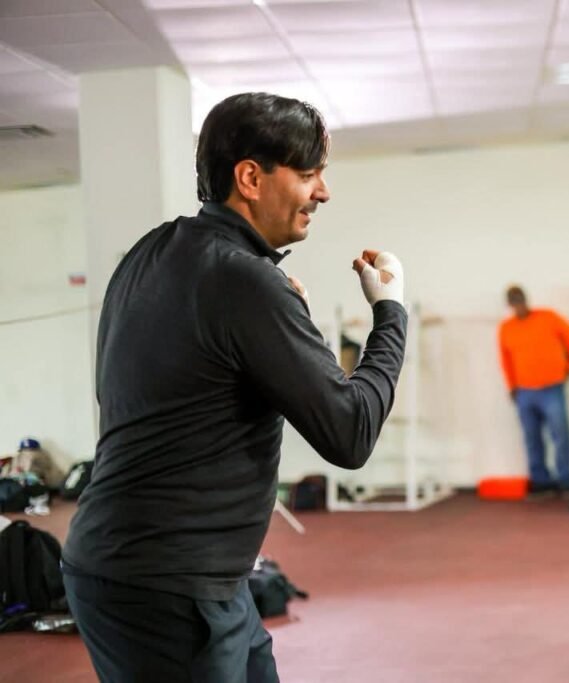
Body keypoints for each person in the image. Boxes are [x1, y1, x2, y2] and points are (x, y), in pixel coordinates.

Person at [61, 92, 407, 682]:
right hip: (166, 584)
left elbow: (177, 378)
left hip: (175, 574)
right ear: (250, 177)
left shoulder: (150, 253)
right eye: (307, 174)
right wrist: (391, 313)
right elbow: (350, 433)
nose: (322, 192)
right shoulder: (242, 280)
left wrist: (271, 321)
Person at [499, 285, 569, 498]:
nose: (518, 304)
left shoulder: (548, 318)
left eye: (520, 299)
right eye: (513, 301)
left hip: (552, 387)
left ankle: (565, 481)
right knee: (531, 438)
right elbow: (505, 360)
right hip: (524, 391)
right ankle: (541, 482)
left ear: (526, 298)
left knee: (561, 435)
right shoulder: (506, 328)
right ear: (510, 304)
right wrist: (512, 386)